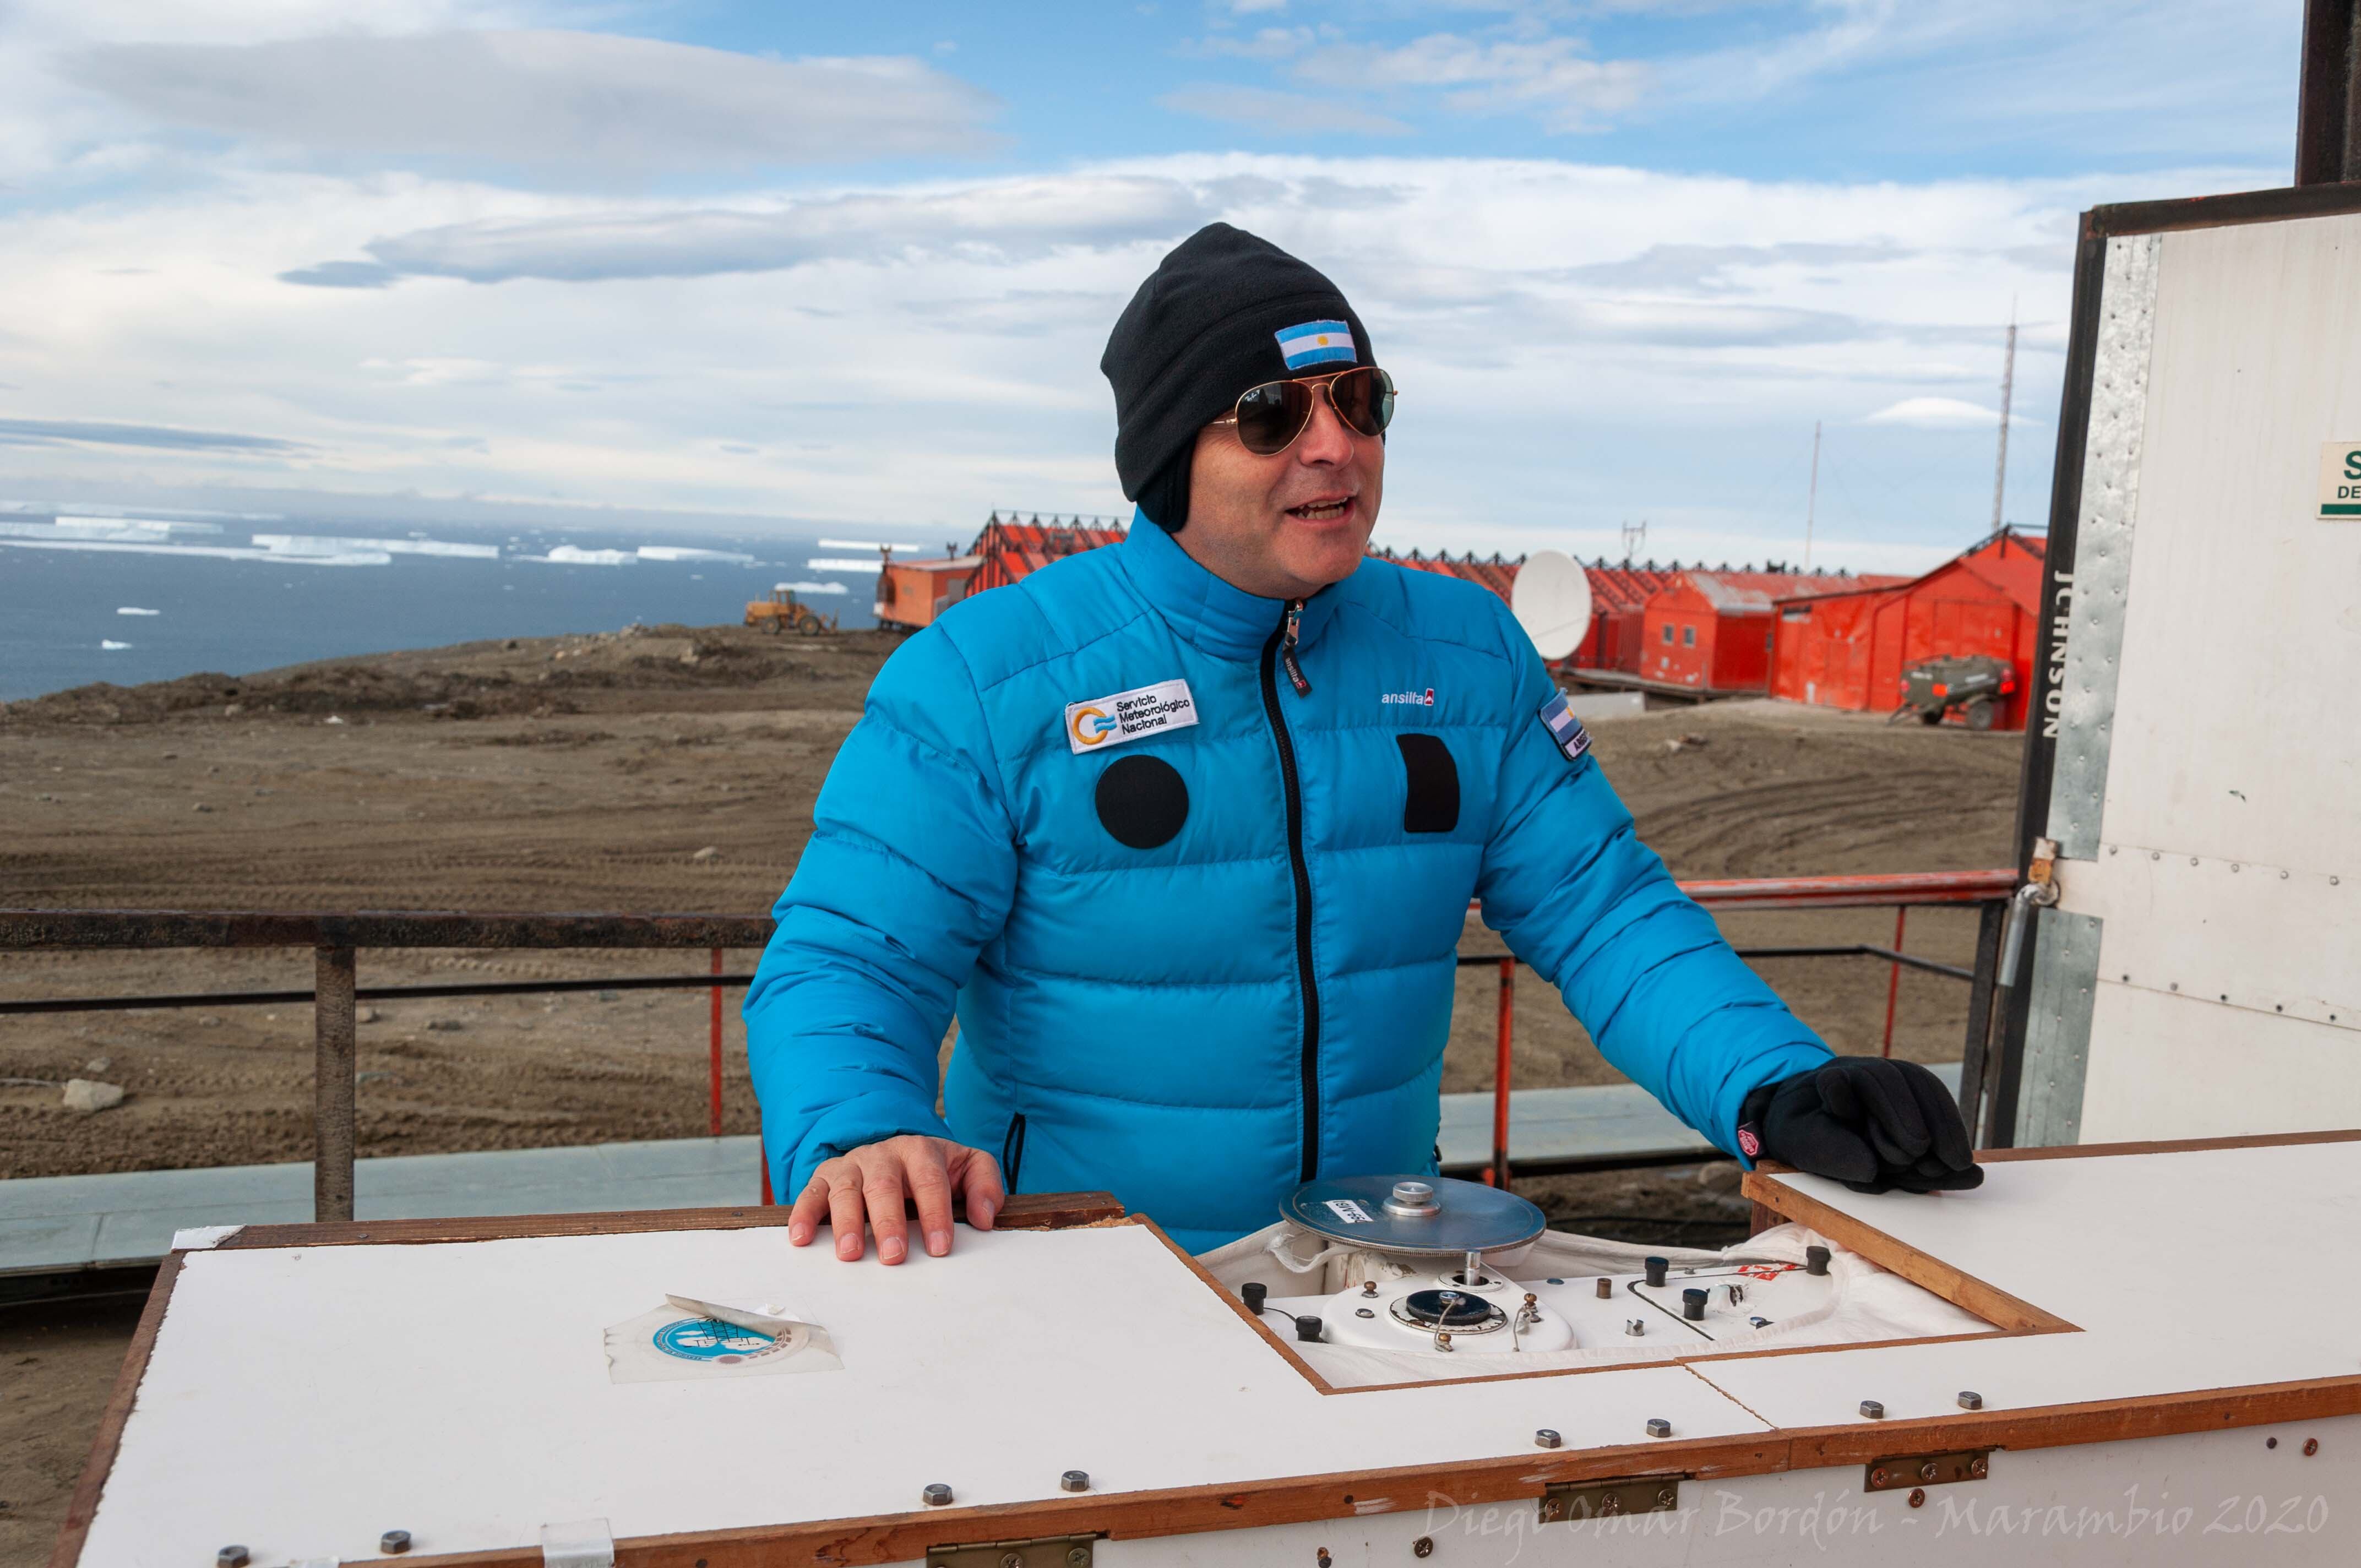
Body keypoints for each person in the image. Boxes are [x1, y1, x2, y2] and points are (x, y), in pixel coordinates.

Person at [744, 224, 1979, 1263]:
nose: (1333, 443)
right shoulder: (986, 674)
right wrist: (862, 1134)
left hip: (1381, 1274)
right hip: (1080, 1273)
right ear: (1173, 459)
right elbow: (849, 960)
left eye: (1359, 400)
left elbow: (1606, 914)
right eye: (1272, 412)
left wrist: (1772, 1083)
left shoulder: (1461, 650)